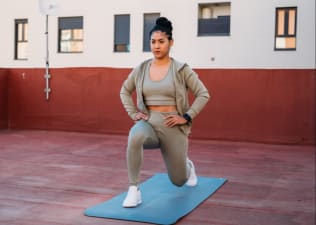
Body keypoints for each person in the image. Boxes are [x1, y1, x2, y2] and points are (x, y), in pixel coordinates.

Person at [119, 17, 210, 208]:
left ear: (171, 43)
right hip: (149, 124)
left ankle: (188, 166)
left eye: (161, 41)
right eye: (153, 42)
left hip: (173, 127)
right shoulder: (141, 69)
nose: (156, 46)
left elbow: (203, 94)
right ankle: (134, 190)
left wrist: (186, 116)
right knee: (135, 135)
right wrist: (133, 113)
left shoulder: (181, 69)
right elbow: (124, 91)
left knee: (179, 181)